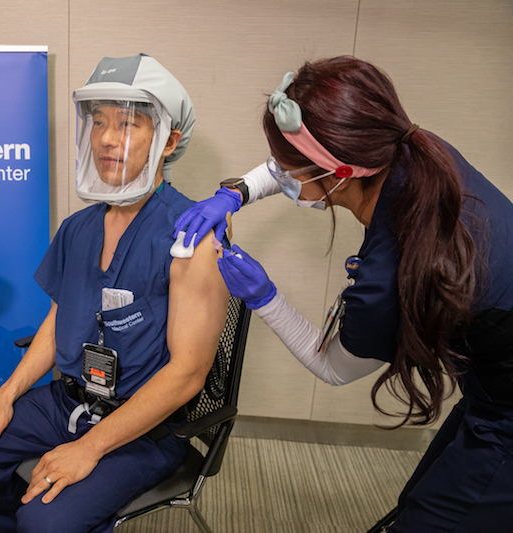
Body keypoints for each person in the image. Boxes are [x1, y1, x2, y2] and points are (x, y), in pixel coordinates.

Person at [175, 56, 513, 532]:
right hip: (490, 376)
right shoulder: (410, 148)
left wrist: (264, 297)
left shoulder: (391, 274)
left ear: (339, 173)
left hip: (507, 401)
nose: (280, 174)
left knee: (432, 519)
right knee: (420, 495)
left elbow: (331, 367)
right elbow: (296, 164)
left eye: (289, 169)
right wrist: (236, 193)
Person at [0, 54, 230, 533]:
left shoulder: (191, 239)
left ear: (170, 140)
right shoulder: (78, 229)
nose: (108, 139)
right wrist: (4, 397)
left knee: (48, 520)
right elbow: (58, 320)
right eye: (99, 122)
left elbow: (188, 374)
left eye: (129, 124)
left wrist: (89, 448)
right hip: (69, 402)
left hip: (145, 428)